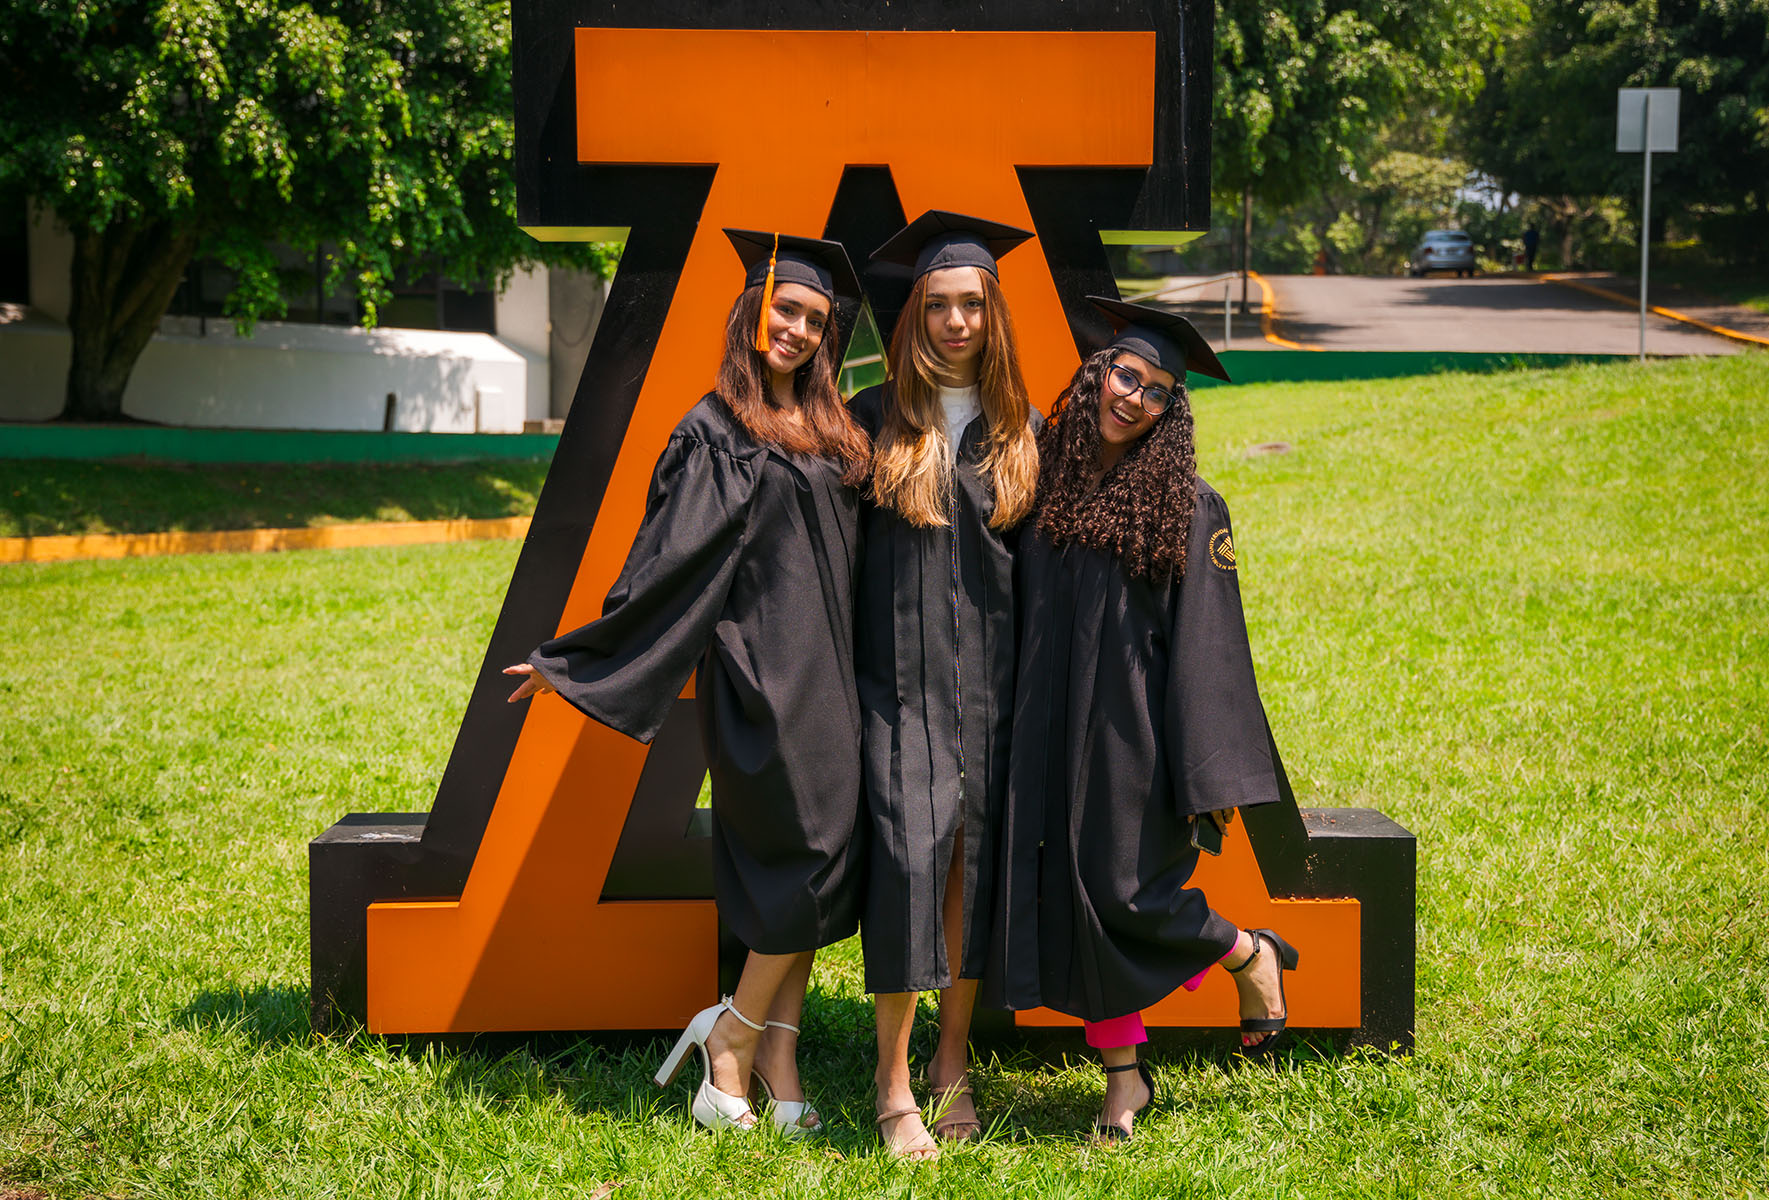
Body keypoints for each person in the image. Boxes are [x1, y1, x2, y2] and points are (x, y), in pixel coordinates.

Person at [502, 230, 871, 1136]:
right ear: (754, 310)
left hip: (840, 677)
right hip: (767, 678)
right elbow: (666, 566)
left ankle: (778, 1056)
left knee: (829, 867)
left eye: (816, 320)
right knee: (807, 859)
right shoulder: (714, 429)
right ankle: (733, 1041)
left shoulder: (832, 430)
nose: (797, 329)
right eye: (787, 309)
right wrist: (578, 659)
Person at [984, 297, 1300, 1143]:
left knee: (1123, 890)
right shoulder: (1040, 472)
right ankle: (1126, 1082)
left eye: (1157, 391)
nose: (1135, 397)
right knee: (1066, 899)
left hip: (1131, 738)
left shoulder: (1191, 506)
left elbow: (1212, 648)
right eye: (1127, 374)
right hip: (1038, 725)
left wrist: (1208, 773)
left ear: (1170, 412)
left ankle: (1247, 952)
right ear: (1097, 372)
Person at [850, 210, 1041, 1160]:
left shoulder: (1023, 434)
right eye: (939, 305)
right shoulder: (870, 424)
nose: (957, 321)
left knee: (972, 871)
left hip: (996, 702)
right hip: (899, 699)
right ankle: (892, 1083)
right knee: (907, 869)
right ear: (915, 315)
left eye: (972, 304)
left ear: (993, 315)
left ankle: (952, 1060)